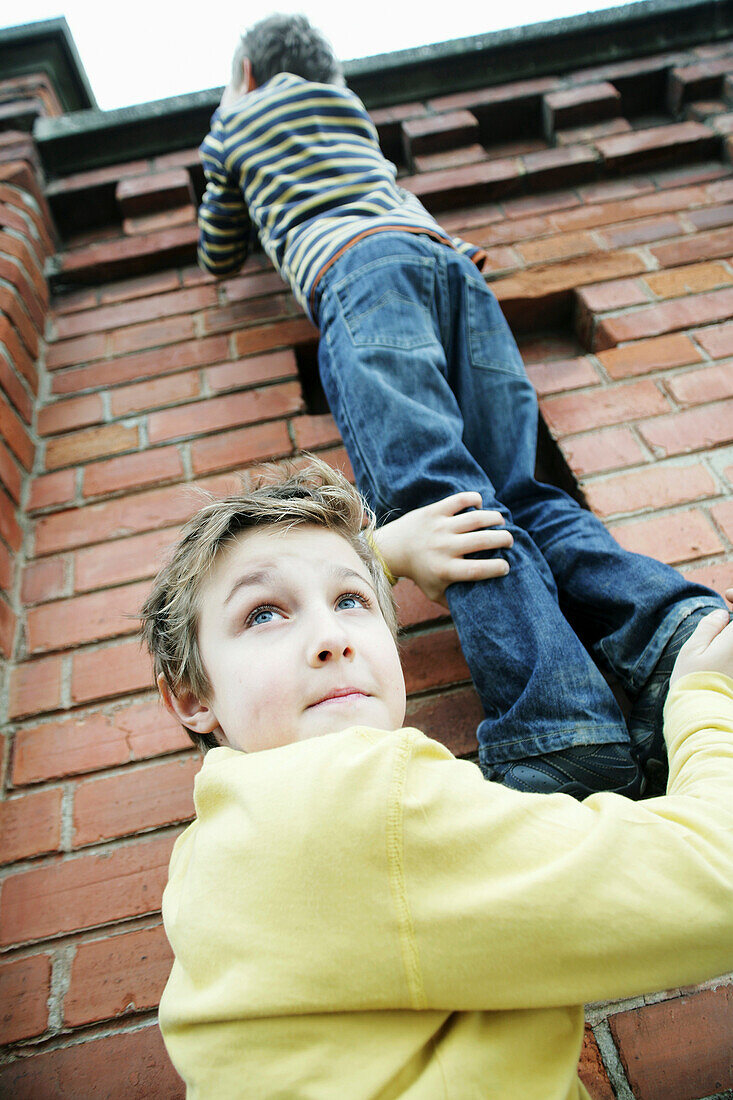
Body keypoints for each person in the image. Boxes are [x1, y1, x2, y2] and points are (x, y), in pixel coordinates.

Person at [195, 13, 727, 797]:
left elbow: (218, 245)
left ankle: (558, 725)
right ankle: (678, 636)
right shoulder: (346, 111)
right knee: (525, 494)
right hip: (454, 276)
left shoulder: (238, 118)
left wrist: (222, 135)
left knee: (440, 501)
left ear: (243, 75)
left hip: (358, 274)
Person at [140, 460, 733, 1100]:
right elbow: (719, 880)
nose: (332, 637)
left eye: (351, 602)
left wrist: (380, 553)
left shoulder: (205, 865)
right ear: (189, 697)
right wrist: (704, 698)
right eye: (262, 615)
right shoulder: (358, 795)